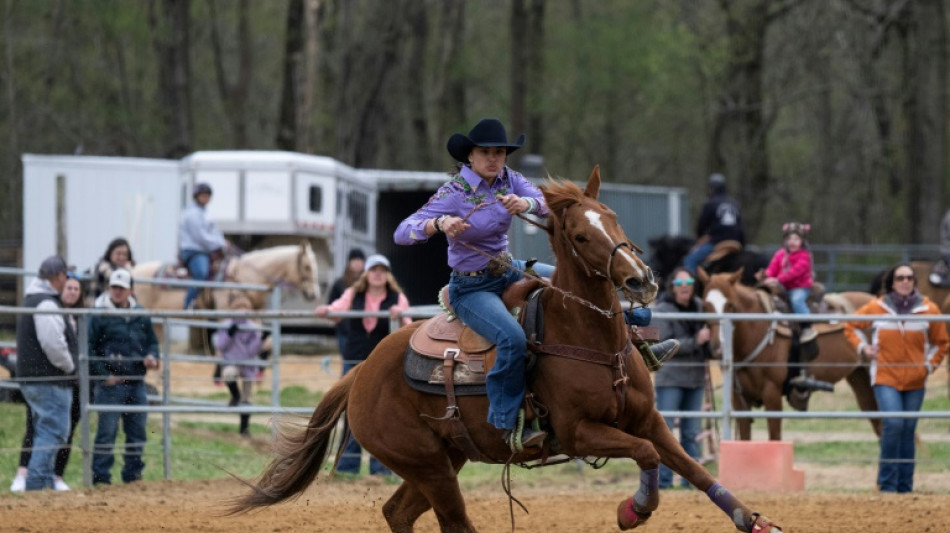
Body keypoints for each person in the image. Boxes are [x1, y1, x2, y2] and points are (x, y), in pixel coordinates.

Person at [843, 263, 949, 493]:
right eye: (900, 278)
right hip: (885, 376)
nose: (905, 281)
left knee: (908, 429)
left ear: (914, 282)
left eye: (909, 278)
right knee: (892, 424)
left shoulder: (928, 309)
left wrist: (929, 366)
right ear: (892, 283)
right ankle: (887, 485)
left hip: (916, 380)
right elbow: (850, 325)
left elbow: (942, 342)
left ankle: (905, 487)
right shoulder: (877, 307)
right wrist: (863, 348)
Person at [316, 254, 411, 475]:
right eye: (374, 270)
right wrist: (326, 311)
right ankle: (348, 466)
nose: (378, 274)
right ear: (367, 274)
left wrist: (400, 315)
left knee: (383, 412)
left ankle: (381, 468)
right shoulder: (353, 294)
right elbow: (337, 310)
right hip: (354, 358)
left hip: (383, 363)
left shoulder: (397, 298)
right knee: (352, 409)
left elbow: (407, 326)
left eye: (382, 270)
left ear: (388, 275)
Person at [11, 272, 84, 492]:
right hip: (51, 378)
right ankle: (34, 481)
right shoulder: (48, 306)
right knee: (51, 430)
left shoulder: (71, 314)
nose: (71, 292)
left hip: (49, 379)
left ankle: (47, 481)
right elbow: (53, 345)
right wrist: (70, 367)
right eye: (68, 287)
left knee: (52, 430)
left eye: (76, 288)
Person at [88, 268, 161, 485]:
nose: (117, 291)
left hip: (136, 381)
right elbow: (88, 348)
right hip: (111, 384)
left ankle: (133, 475)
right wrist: (103, 375)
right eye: (114, 287)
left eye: (121, 288)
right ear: (109, 288)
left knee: (137, 432)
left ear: (130, 290)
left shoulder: (141, 314)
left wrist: (152, 356)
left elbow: (152, 342)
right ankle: (101, 478)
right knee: (107, 432)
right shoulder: (99, 315)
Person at [653, 268, 711, 489]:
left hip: (695, 378)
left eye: (688, 282)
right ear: (673, 286)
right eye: (679, 282)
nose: (684, 285)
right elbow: (667, 345)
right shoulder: (663, 310)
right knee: (665, 432)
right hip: (671, 379)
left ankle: (691, 482)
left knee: (691, 433)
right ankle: (664, 481)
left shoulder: (700, 307)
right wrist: (697, 340)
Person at [213, 291, 263, 436]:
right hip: (231, 362)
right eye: (239, 308)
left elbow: (252, 351)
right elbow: (220, 346)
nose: (242, 311)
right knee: (228, 374)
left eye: (245, 308)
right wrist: (229, 334)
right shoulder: (226, 325)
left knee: (247, 397)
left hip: (248, 364)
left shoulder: (252, 327)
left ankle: (244, 428)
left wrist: (260, 339)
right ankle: (235, 395)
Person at [759, 222, 816, 343]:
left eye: (796, 239)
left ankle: (807, 326)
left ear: (802, 241)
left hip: (800, 287)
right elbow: (772, 268)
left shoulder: (804, 256)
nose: (792, 242)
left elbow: (794, 273)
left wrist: (777, 279)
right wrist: (765, 275)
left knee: (797, 300)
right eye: (789, 238)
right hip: (783, 286)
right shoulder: (780, 254)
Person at [683, 173, 745, 274]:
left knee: (690, 260)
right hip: (736, 241)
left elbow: (701, 226)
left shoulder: (710, 203)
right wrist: (743, 244)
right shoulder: (734, 203)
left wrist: (699, 239)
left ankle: (691, 282)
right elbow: (741, 227)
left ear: (712, 188)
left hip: (717, 241)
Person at [179, 182, 228, 310]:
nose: (205, 198)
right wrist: (220, 243)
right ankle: (188, 303)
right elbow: (200, 237)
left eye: (207, 195)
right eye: (203, 195)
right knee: (201, 272)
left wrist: (222, 242)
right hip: (194, 251)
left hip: (206, 250)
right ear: (196, 197)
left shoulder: (206, 213)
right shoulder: (191, 214)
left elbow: (215, 232)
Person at [326, 248, 366, 356]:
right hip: (345, 331)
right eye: (354, 260)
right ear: (349, 263)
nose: (357, 263)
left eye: (360, 260)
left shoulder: (370, 284)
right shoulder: (339, 283)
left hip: (365, 332)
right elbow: (331, 303)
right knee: (348, 360)